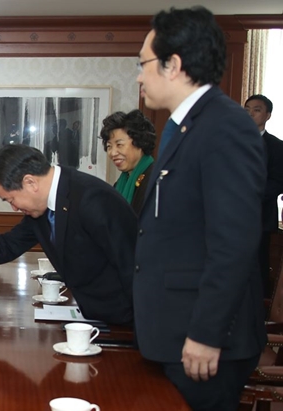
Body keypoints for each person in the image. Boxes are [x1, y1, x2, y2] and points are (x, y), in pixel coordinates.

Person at [134, 7, 266, 410]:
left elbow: (234, 242)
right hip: (174, 330)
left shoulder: (225, 126)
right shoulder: (185, 126)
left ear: (173, 64)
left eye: (144, 64)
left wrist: (208, 334)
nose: (139, 76)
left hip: (204, 339)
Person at [0, 144, 137, 326]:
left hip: (127, 321)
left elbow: (133, 266)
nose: (14, 208)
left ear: (30, 183)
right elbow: (8, 245)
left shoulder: (93, 199)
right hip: (95, 317)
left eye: (10, 200)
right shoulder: (45, 205)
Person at [245, 94, 283, 296]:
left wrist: (249, 195)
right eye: (247, 109)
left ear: (268, 115)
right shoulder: (232, 142)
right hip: (229, 216)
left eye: (256, 110)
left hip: (259, 217)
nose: (250, 113)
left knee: (257, 268)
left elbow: (277, 182)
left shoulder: (277, 146)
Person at [100, 109, 156, 214]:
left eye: (119, 145)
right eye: (109, 146)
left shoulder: (155, 180)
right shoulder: (121, 182)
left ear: (139, 142)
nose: (113, 153)